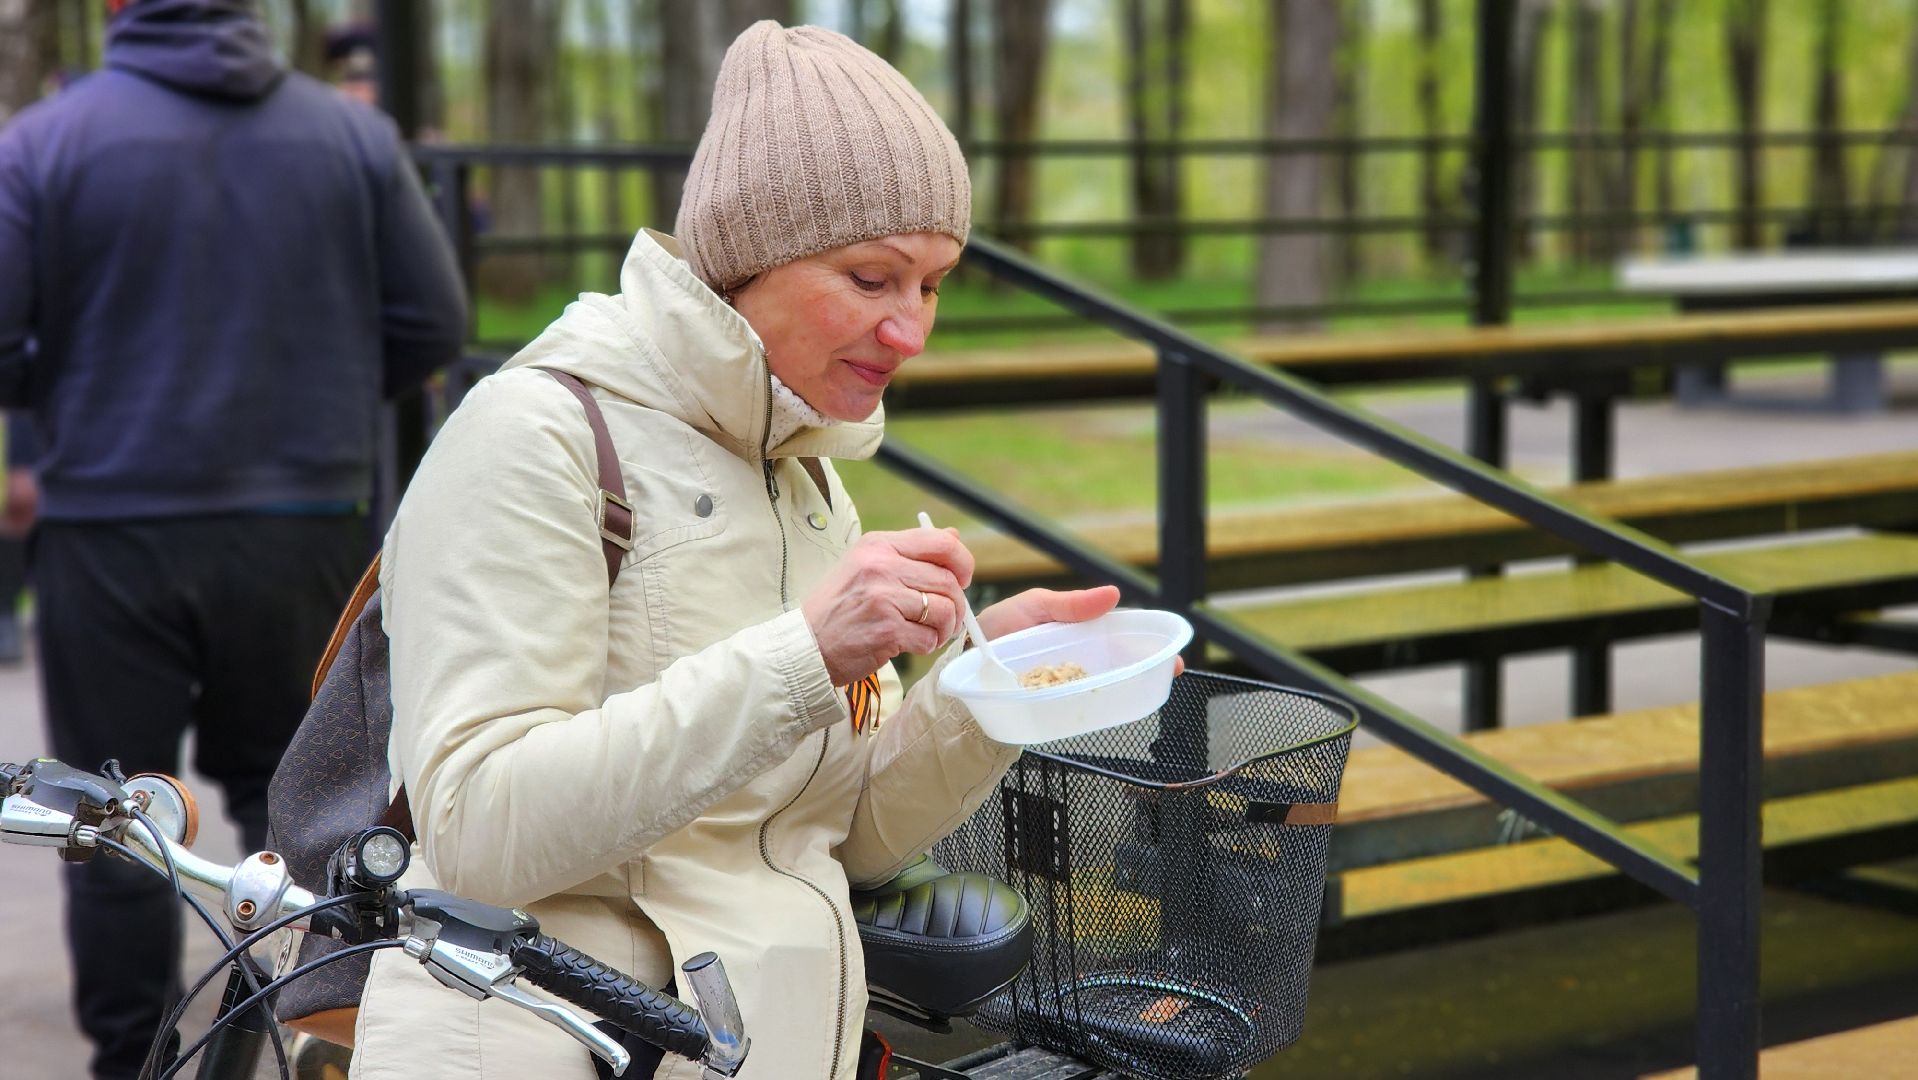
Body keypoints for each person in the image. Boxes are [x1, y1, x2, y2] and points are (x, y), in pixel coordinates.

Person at [351, 21, 1118, 1080]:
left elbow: (836, 838)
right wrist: (807, 654)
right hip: (554, 1041)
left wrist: (984, 695)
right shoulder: (532, 432)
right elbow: (480, 829)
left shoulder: (804, 473)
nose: (912, 332)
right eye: (870, 278)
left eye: (931, 284)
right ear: (744, 260)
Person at [0, 0, 468, 1076]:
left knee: (102, 814)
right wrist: (332, 409)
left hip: (111, 529)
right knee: (303, 808)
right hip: (303, 522)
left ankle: (134, 1061)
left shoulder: (44, 142)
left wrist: (71, 398)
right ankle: (282, 1038)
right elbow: (432, 321)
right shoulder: (352, 136)